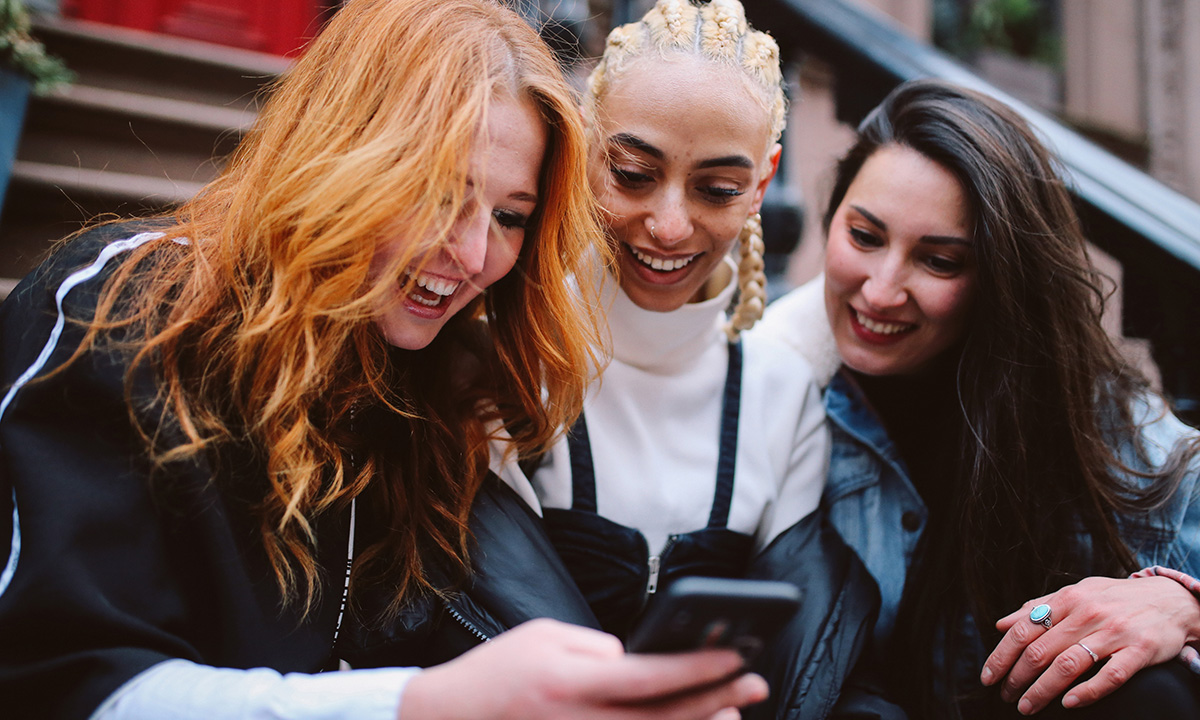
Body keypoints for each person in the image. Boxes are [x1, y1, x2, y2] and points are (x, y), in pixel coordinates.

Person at [0, 1, 773, 718]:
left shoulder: (424, 378)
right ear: (341, 150)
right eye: (440, 193)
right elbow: (60, 682)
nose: (472, 254)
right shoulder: (122, 308)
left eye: (510, 217)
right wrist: (422, 704)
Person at [756, 79, 1200, 719]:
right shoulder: (772, 385)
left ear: (1000, 279)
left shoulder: (1097, 424)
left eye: (937, 261)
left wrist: (1180, 606)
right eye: (864, 236)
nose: (880, 291)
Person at [524, 1, 876, 716]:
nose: (670, 224)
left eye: (717, 189)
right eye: (632, 174)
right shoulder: (512, 351)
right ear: (587, 148)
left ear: (762, 183)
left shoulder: (784, 392)